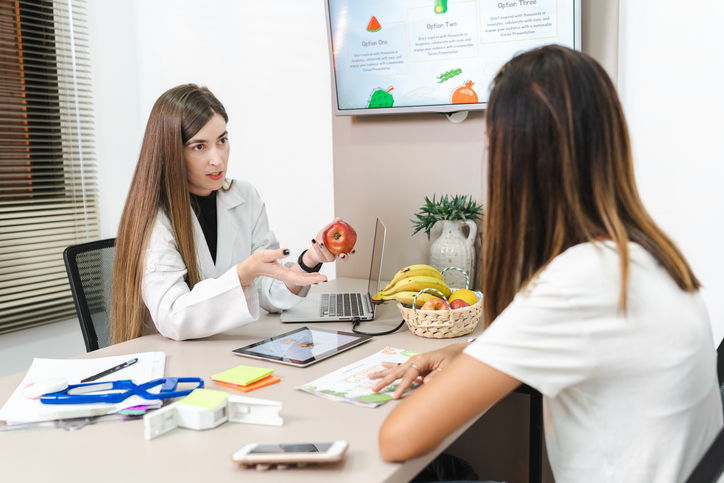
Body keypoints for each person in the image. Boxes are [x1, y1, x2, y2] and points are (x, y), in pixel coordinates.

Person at [370, 45, 723, 482]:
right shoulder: (646, 256)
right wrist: (463, 351)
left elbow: (398, 438)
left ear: (519, 160)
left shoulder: (581, 280)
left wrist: (456, 377)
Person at [111, 84, 349, 343]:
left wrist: (311, 259)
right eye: (199, 147)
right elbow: (173, 318)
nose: (218, 159)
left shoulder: (244, 197)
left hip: (223, 348)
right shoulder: (155, 216)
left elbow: (268, 293)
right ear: (171, 152)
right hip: (174, 359)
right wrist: (243, 274)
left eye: (222, 141)